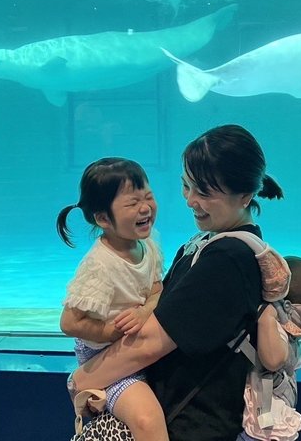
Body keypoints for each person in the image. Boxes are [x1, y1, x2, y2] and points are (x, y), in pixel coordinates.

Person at [69, 124, 285, 441]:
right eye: (187, 186)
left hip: (187, 425)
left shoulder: (227, 259)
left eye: (204, 192)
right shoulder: (206, 243)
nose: (190, 200)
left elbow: (148, 344)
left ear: (245, 195)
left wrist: (81, 378)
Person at [57, 157, 168, 441]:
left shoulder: (148, 245)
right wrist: (109, 332)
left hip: (136, 346)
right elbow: (70, 322)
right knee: (148, 420)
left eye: (148, 197)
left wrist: (145, 312)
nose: (145, 207)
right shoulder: (100, 266)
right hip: (105, 357)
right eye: (132, 203)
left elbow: (156, 290)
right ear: (103, 218)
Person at [240, 256, 301, 441]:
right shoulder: (272, 324)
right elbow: (273, 360)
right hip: (264, 425)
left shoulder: (277, 325)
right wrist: (267, 319)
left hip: (268, 420)